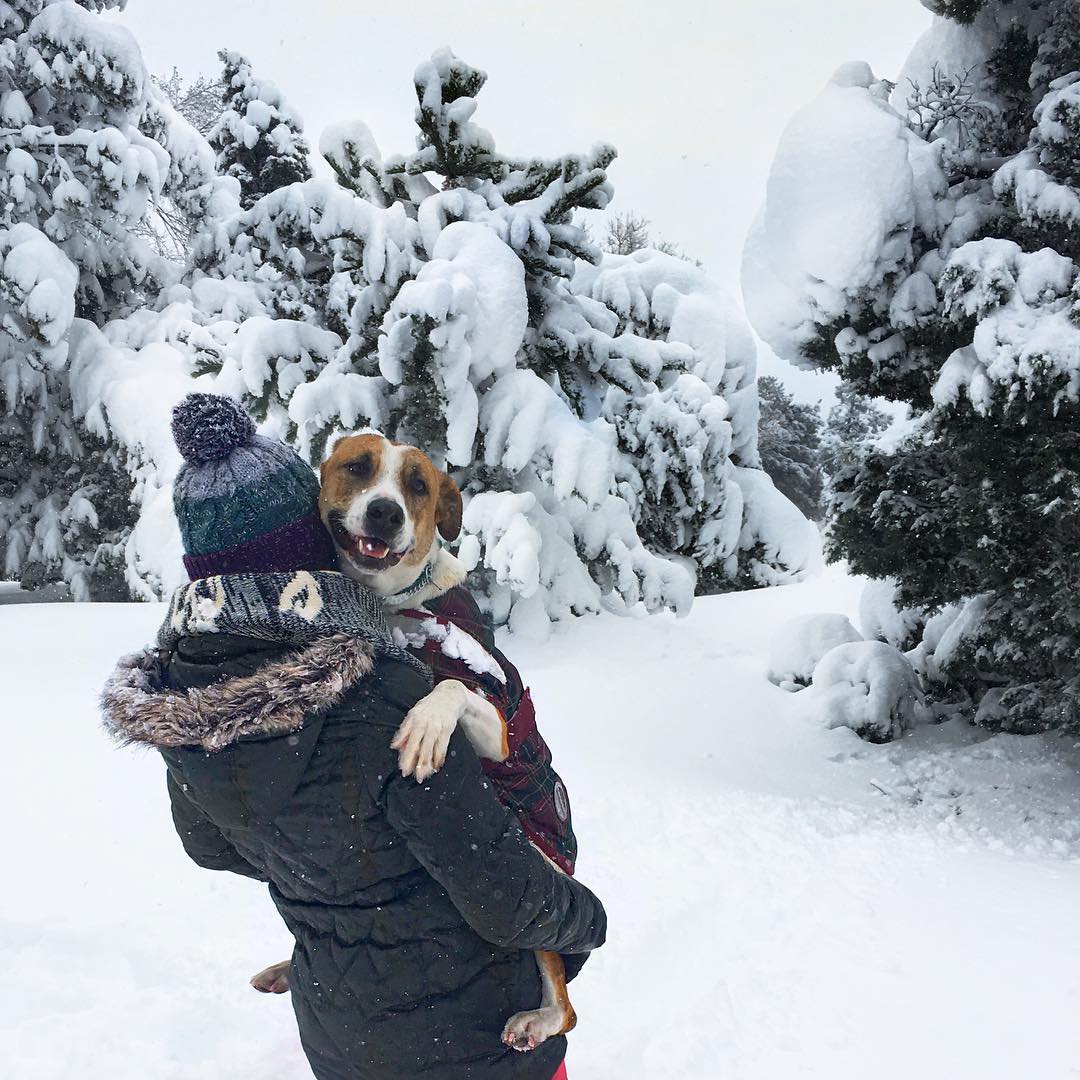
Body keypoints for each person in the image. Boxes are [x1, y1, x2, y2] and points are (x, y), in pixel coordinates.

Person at [101, 394, 606, 1080]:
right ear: (311, 515)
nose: (384, 500)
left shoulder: (183, 705)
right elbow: (504, 893)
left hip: (340, 1036)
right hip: (475, 1038)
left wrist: (339, 902)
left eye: (411, 491)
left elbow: (218, 846)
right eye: (359, 475)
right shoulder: (377, 695)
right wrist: (589, 924)